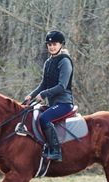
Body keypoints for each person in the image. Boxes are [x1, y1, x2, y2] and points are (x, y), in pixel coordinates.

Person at [25, 30, 74, 162]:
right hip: (53, 104)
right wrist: (31, 95)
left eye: (54, 44)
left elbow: (62, 86)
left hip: (64, 104)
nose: (52, 47)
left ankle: (56, 151)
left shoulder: (65, 61)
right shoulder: (48, 62)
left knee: (44, 118)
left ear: (61, 44)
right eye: (49, 44)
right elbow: (43, 84)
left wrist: (44, 94)